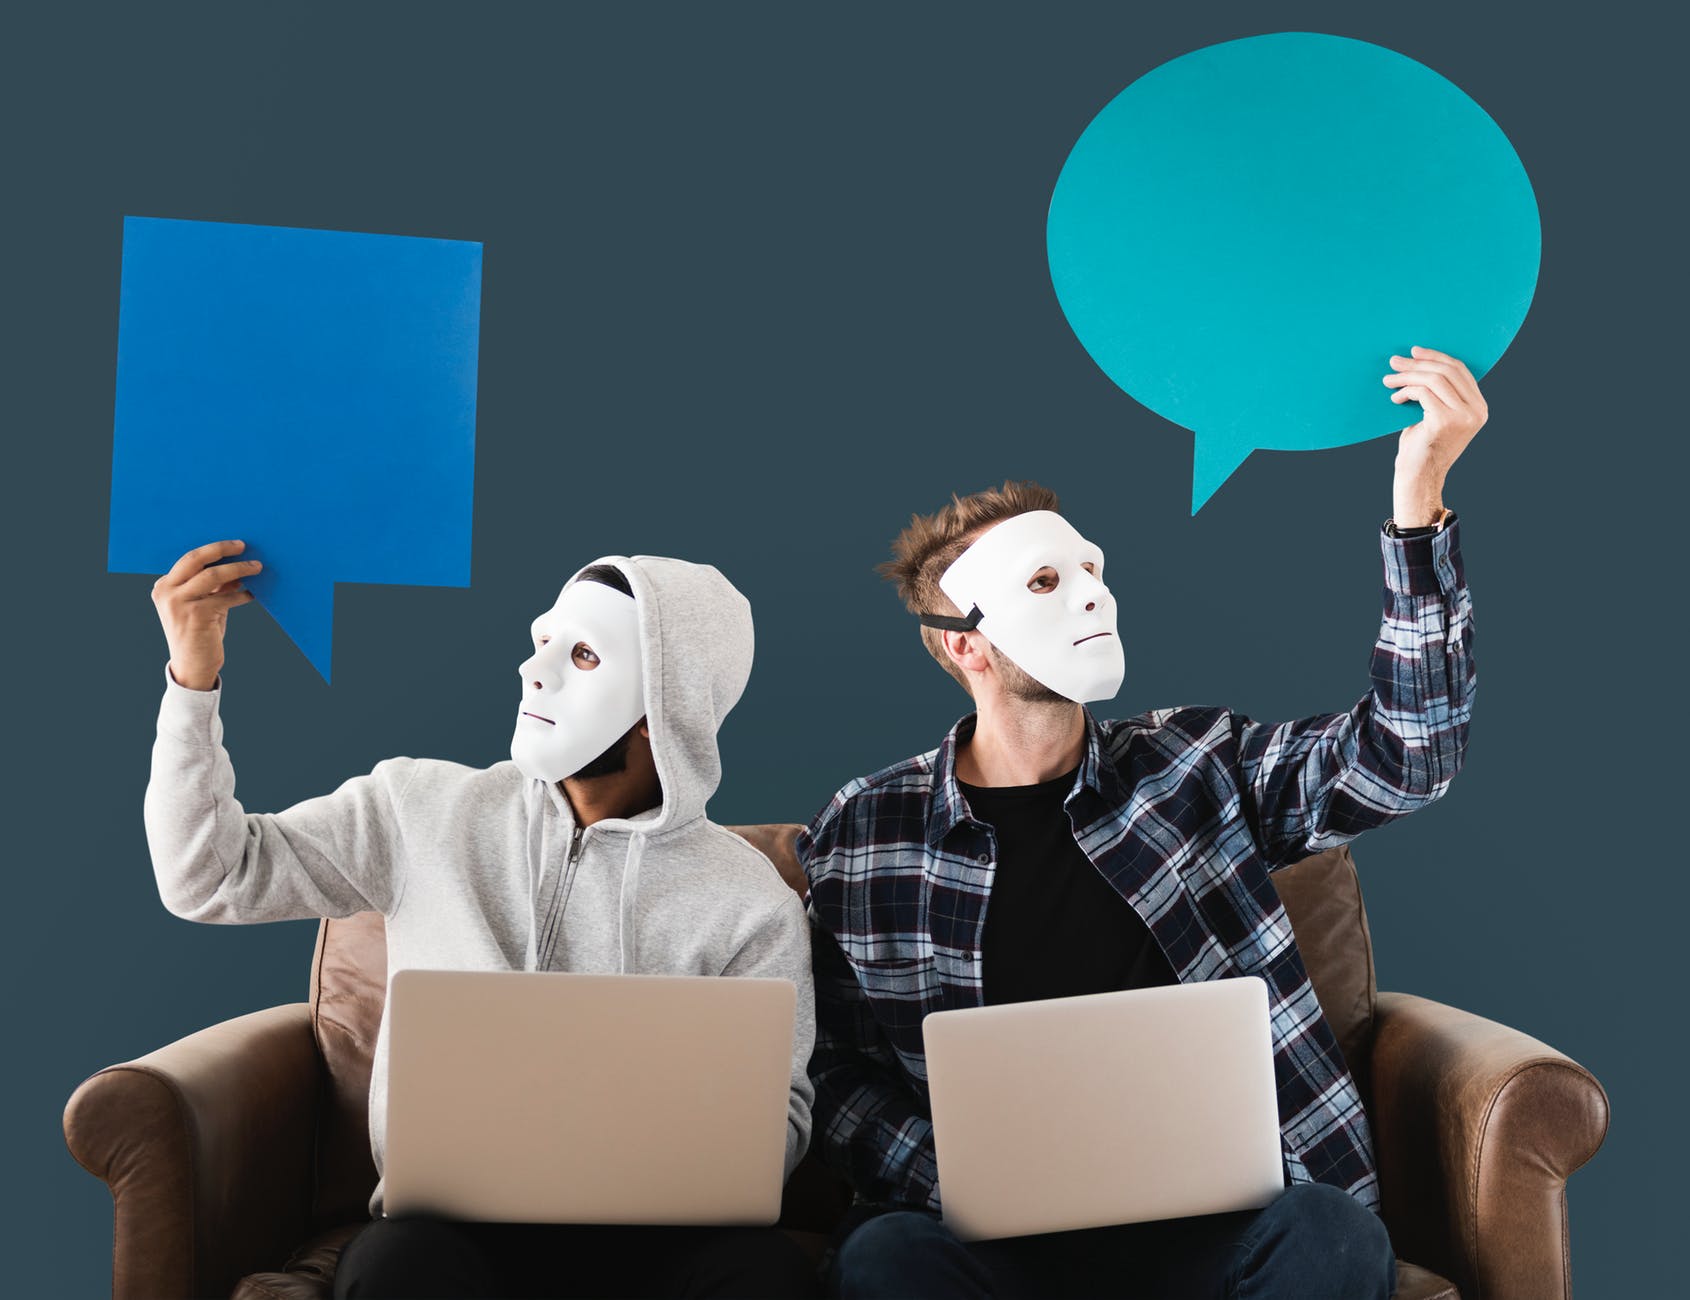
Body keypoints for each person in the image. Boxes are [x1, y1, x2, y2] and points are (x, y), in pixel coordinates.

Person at [799, 347, 1486, 1299]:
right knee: (884, 1261)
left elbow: (1406, 758)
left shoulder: (1196, 764)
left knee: (1329, 1236)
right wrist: (954, 1182)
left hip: (1218, 1227)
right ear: (967, 645)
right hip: (1000, 1243)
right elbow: (833, 1072)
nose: (1090, 592)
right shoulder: (866, 831)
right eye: (1043, 582)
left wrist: (1418, 509)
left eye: (1090, 566)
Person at [145, 548, 820, 1299]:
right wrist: (193, 679)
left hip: (660, 1241)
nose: (535, 672)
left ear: (669, 704)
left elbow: (780, 1123)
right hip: (452, 1231)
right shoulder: (419, 808)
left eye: (586, 655)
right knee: (393, 1267)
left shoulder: (752, 900)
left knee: (768, 1276)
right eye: (542, 644)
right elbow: (206, 877)